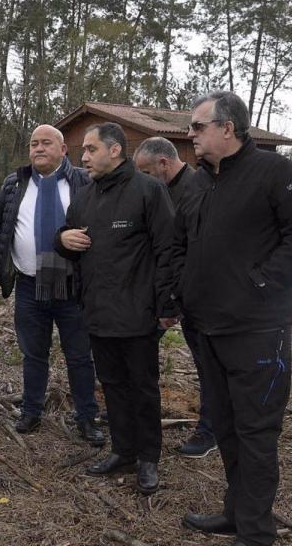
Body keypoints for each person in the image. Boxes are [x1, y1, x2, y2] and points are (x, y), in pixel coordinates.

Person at [175, 91, 292, 546]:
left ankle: (257, 533)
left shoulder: (275, 172)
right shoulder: (200, 182)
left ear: (227, 128)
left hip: (256, 330)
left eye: (198, 127)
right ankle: (235, 513)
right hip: (206, 327)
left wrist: (261, 282)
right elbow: (187, 243)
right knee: (226, 423)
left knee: (256, 431)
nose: (190, 134)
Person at [55, 122, 179, 495]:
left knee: (143, 387)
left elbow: (168, 250)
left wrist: (166, 304)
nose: (84, 157)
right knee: (112, 385)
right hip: (97, 310)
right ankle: (122, 451)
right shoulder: (85, 198)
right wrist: (61, 239)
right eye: (84, 151)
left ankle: (149, 458)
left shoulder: (149, 191)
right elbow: (68, 239)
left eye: (91, 149)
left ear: (114, 151)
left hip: (139, 312)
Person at [0, 124, 104, 446]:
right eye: (33, 143)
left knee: (79, 356)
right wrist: (4, 253)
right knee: (33, 354)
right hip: (28, 286)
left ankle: (86, 418)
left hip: (73, 288)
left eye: (46, 143)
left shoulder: (83, 181)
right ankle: (32, 411)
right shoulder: (16, 182)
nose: (38, 148)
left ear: (63, 150)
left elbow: (102, 222)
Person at [134, 137, 216, 459]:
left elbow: (196, 249)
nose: (141, 176)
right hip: (163, 291)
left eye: (145, 170)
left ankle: (210, 430)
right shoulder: (155, 190)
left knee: (207, 365)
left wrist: (178, 298)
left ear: (164, 164)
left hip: (196, 294)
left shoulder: (198, 190)